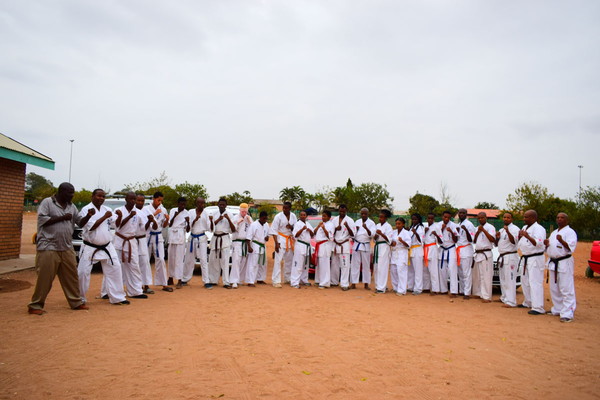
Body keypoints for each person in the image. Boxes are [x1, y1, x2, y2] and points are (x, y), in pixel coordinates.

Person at [28, 183, 89, 314]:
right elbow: (42, 220)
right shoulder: (48, 202)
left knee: (71, 276)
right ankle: (35, 305)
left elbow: (80, 222)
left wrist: (88, 216)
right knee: (45, 278)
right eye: (69, 193)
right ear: (61, 192)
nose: (72, 195)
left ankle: (76, 302)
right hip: (48, 246)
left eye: (73, 192)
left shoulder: (71, 206)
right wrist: (63, 217)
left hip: (66, 246)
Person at [77, 189, 128, 306]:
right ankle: (80, 299)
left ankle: (117, 297)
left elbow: (116, 224)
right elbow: (91, 227)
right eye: (99, 196)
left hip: (107, 246)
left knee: (115, 269)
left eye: (103, 196)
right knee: (83, 273)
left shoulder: (107, 209)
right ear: (92, 196)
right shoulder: (86, 209)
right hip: (90, 246)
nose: (101, 198)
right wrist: (105, 217)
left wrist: (120, 216)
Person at [114, 192, 147, 299]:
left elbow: (145, 227)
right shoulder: (118, 210)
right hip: (120, 240)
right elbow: (117, 226)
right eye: (131, 199)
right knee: (115, 266)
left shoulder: (139, 213)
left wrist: (150, 220)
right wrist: (129, 216)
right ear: (126, 199)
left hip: (131, 240)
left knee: (134, 266)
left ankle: (136, 291)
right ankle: (108, 291)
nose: (133, 201)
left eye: (134, 199)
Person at [545, 212, 578, 322]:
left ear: (567, 220)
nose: (559, 219)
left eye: (562, 218)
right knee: (554, 288)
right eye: (558, 217)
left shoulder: (570, 232)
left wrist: (561, 241)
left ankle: (568, 313)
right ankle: (557, 309)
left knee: (566, 288)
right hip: (553, 262)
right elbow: (550, 247)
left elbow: (570, 248)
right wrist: (546, 244)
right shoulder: (554, 232)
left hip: (564, 261)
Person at [518, 210, 547, 315]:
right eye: (524, 217)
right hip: (525, 257)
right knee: (525, 281)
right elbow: (520, 242)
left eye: (526, 217)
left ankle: (538, 307)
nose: (524, 219)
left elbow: (539, 244)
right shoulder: (524, 227)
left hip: (535, 257)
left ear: (533, 218)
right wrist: (520, 236)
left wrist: (527, 236)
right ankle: (528, 302)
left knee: (535, 282)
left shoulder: (539, 229)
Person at [143, 192, 172, 292]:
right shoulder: (146, 209)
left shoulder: (163, 209)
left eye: (161, 201)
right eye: (158, 200)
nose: (159, 202)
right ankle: (145, 285)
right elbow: (144, 222)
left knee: (161, 259)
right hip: (148, 236)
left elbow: (164, 225)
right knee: (145, 260)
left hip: (158, 236)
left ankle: (163, 284)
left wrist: (167, 220)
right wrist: (154, 214)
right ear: (153, 199)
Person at [209, 198, 236, 288]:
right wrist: (218, 219)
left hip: (224, 239)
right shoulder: (214, 214)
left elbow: (233, 230)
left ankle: (226, 282)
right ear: (218, 204)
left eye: (223, 204)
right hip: (215, 238)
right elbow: (210, 228)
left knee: (225, 262)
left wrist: (228, 219)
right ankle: (213, 280)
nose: (221, 206)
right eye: (220, 204)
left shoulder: (230, 215)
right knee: (213, 261)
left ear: (226, 205)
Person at [495, 212, 520, 308]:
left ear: (512, 219)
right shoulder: (501, 230)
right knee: (503, 279)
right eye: (504, 217)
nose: (506, 219)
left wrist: (508, 232)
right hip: (502, 256)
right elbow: (496, 244)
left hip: (511, 256)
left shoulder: (515, 229)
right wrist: (497, 238)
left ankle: (511, 301)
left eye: (508, 217)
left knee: (510, 279)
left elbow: (514, 242)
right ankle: (504, 297)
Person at [183, 197, 209, 288]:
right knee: (189, 260)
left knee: (203, 260)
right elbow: (188, 228)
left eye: (202, 203)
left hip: (201, 238)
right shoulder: (190, 212)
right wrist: (194, 220)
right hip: (192, 238)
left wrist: (211, 221)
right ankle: (185, 279)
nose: (201, 205)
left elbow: (209, 228)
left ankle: (206, 281)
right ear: (196, 203)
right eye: (199, 203)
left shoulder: (206, 213)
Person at [270, 202, 297, 288]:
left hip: (290, 240)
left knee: (289, 260)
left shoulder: (293, 216)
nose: (284, 209)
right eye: (283, 208)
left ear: (290, 208)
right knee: (278, 261)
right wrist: (276, 243)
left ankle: (287, 278)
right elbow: (274, 230)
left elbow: (296, 228)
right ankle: (276, 281)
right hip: (281, 239)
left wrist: (291, 227)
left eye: (286, 208)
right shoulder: (278, 216)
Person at [433, 210, 458, 296]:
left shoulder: (454, 225)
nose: (446, 219)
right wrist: (442, 229)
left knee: (452, 269)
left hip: (451, 248)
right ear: (442, 217)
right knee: (442, 270)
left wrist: (451, 231)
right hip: (442, 249)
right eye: (445, 217)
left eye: (448, 217)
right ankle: (443, 289)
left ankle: (454, 291)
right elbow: (439, 241)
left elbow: (456, 240)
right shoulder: (438, 225)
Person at [473, 212, 496, 303]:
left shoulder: (490, 227)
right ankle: (479, 293)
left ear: (486, 218)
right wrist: (478, 232)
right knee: (479, 276)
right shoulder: (477, 228)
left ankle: (487, 296)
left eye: (482, 218)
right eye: (479, 218)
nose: (480, 219)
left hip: (486, 253)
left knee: (486, 276)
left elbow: (492, 239)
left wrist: (484, 231)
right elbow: (474, 241)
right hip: (478, 254)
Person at [135, 193, 156, 295]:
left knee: (144, 262)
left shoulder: (147, 211)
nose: (140, 202)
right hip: (131, 240)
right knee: (134, 263)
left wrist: (151, 220)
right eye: (138, 200)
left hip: (142, 239)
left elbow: (154, 226)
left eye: (142, 201)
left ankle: (146, 285)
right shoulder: (131, 211)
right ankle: (136, 286)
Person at [331, 204, 355, 290]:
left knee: (345, 265)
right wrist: (336, 229)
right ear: (338, 210)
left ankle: (344, 284)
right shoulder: (334, 220)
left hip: (344, 245)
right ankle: (334, 282)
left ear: (346, 211)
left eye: (343, 211)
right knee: (334, 264)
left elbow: (353, 234)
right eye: (340, 211)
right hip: (335, 244)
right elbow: (331, 232)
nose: (342, 212)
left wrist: (347, 226)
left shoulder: (350, 220)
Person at [168, 197, 190, 289]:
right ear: (178, 203)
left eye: (184, 204)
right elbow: (170, 224)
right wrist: (175, 216)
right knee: (171, 258)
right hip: (172, 235)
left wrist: (188, 222)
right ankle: (170, 277)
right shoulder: (173, 210)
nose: (183, 206)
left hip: (181, 236)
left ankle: (179, 279)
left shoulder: (187, 213)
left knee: (179, 259)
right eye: (181, 204)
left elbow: (188, 230)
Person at [351, 208, 375, 290]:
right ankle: (353, 283)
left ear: (368, 214)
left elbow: (372, 235)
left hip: (365, 245)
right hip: (357, 245)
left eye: (365, 214)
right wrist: (356, 230)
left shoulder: (371, 223)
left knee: (366, 265)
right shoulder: (357, 222)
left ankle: (366, 284)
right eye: (362, 214)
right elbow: (353, 235)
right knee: (355, 264)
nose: (363, 215)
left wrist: (366, 228)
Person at [230, 203, 253, 289]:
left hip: (245, 243)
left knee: (243, 261)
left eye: (245, 212)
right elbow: (232, 229)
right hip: (237, 242)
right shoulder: (235, 218)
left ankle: (239, 279)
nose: (244, 213)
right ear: (240, 210)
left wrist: (250, 222)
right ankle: (234, 281)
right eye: (242, 211)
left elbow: (252, 229)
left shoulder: (248, 218)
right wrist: (238, 223)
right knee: (236, 261)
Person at [245, 211, 270, 286]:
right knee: (253, 264)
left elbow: (267, 235)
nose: (265, 220)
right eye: (263, 218)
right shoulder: (254, 225)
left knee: (263, 263)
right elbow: (248, 237)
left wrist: (267, 237)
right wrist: (249, 247)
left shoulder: (266, 225)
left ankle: (260, 279)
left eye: (266, 219)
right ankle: (250, 281)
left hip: (262, 246)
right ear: (260, 217)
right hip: (255, 245)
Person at [291, 210, 314, 288]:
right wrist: (302, 229)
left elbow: (312, 235)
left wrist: (309, 230)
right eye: (301, 215)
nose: (303, 216)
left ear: (306, 216)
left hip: (307, 246)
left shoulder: (308, 224)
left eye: (304, 215)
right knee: (298, 264)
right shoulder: (297, 224)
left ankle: (304, 280)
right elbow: (295, 235)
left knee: (305, 265)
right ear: (299, 216)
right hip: (300, 245)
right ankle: (294, 282)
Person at [373, 210, 394, 293]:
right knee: (376, 267)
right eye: (379, 217)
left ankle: (382, 288)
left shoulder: (388, 227)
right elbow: (374, 239)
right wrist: (375, 236)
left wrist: (381, 234)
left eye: (382, 217)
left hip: (384, 247)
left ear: (386, 218)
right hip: (377, 246)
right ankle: (378, 285)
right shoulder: (377, 225)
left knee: (382, 267)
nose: (380, 218)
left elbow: (389, 239)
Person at [456, 208, 475, 298]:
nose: (461, 214)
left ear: (466, 214)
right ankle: (462, 290)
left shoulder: (469, 224)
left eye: (463, 213)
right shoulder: (459, 224)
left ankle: (467, 292)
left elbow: (471, 239)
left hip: (466, 250)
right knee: (460, 272)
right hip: (459, 250)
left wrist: (466, 230)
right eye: (460, 213)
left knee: (466, 273)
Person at [390, 217, 412, 296]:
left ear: (403, 224)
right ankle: (395, 287)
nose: (397, 225)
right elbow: (390, 242)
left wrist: (402, 241)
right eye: (396, 224)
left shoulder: (406, 233)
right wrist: (392, 243)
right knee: (393, 270)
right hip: (394, 252)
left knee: (401, 271)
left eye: (399, 224)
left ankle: (402, 290)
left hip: (402, 252)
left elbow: (408, 245)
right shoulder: (394, 232)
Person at [314, 210, 334, 289]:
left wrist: (324, 228)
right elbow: (314, 232)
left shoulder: (331, 225)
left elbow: (330, 236)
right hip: (319, 245)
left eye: (325, 216)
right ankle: (318, 280)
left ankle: (325, 282)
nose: (323, 217)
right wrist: (318, 226)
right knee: (319, 264)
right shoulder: (321, 224)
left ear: (329, 217)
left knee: (324, 264)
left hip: (325, 245)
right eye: (322, 216)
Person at [423, 213, 441, 295]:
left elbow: (441, 241)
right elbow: (421, 238)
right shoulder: (424, 226)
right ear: (426, 219)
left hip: (432, 248)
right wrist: (424, 232)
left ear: (434, 219)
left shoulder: (436, 227)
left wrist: (436, 235)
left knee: (433, 270)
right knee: (425, 270)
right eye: (428, 218)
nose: (430, 220)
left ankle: (435, 289)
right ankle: (426, 287)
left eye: (431, 218)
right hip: (425, 248)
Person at [408, 213, 425, 295]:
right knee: (410, 270)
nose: (414, 220)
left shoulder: (421, 228)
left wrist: (416, 233)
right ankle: (410, 286)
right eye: (413, 219)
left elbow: (421, 240)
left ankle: (418, 288)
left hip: (417, 249)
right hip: (411, 249)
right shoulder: (411, 227)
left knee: (418, 270)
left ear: (419, 220)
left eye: (415, 219)